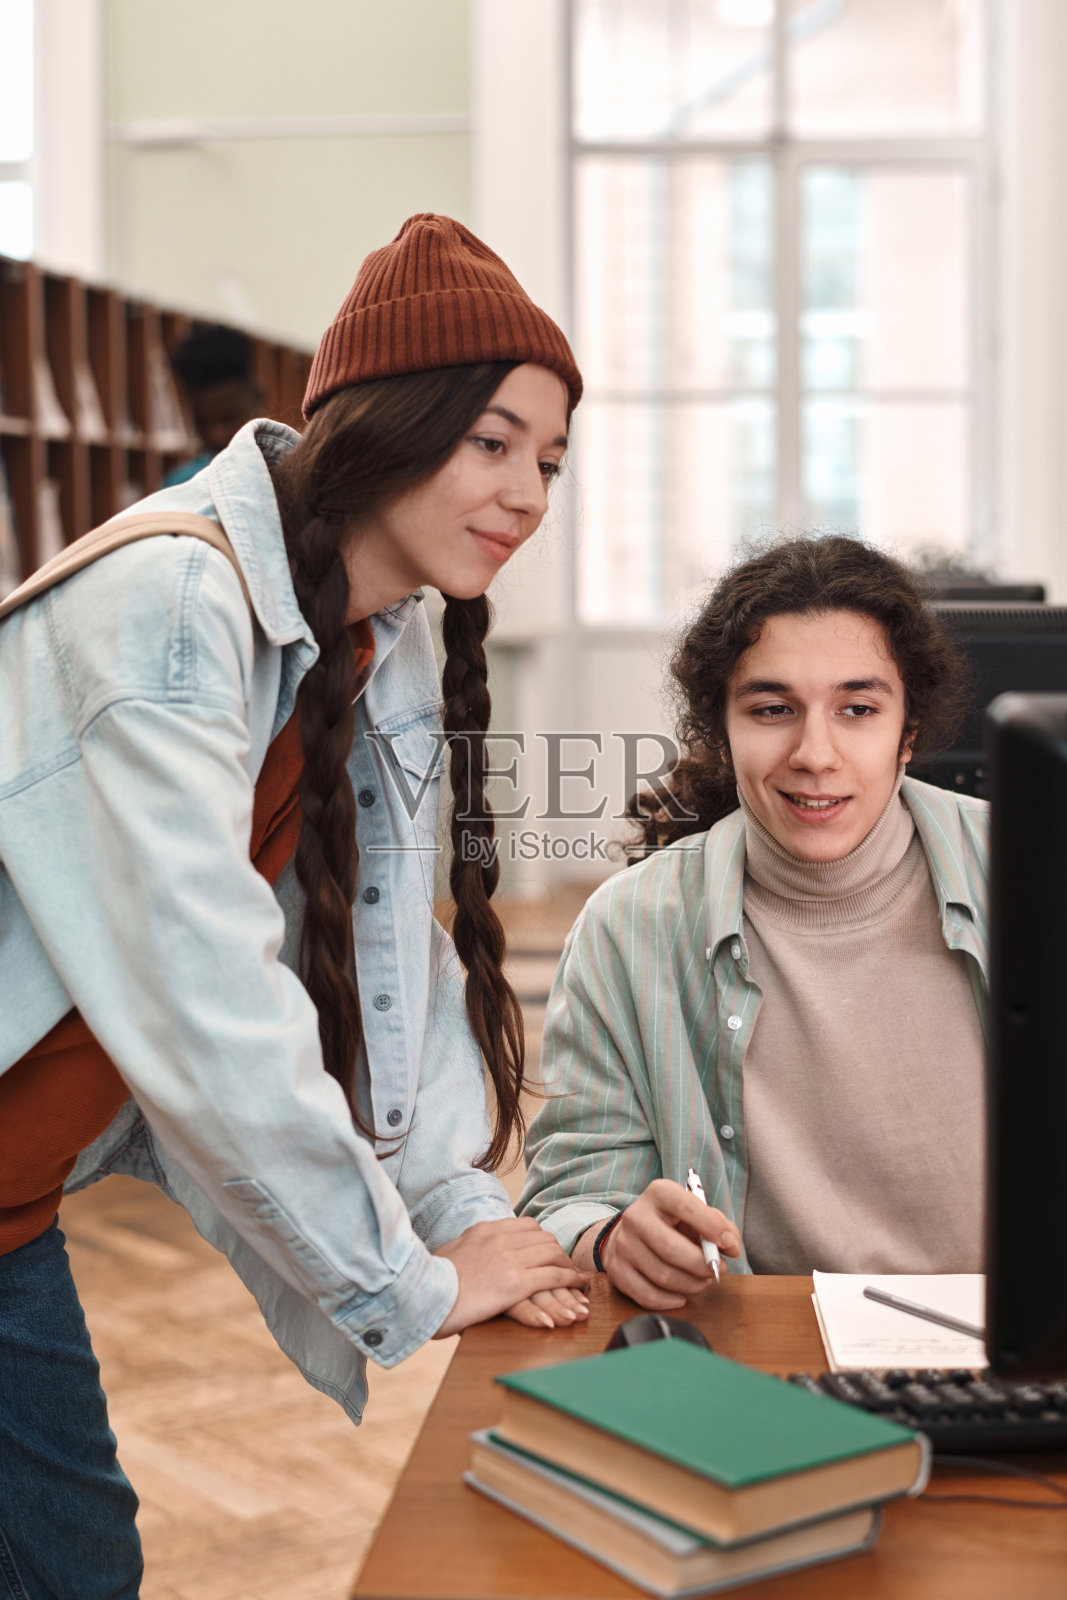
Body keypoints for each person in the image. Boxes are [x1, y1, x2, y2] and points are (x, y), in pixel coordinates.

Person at [0, 214, 590, 1598]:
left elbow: (393, 960)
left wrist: (451, 1206)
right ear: (386, 423)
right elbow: (208, 992)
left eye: (551, 463)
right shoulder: (172, 601)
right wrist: (411, 1281)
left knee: (71, 1563)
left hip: (13, 1210)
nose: (526, 494)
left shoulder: (365, 643)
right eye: (491, 442)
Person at [520, 535, 986, 1311]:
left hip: (1004, 1351)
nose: (814, 753)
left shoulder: (1033, 872)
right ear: (722, 730)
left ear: (907, 734)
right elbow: (572, 1192)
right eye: (771, 710)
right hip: (759, 1354)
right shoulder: (629, 928)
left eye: (858, 710)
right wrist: (610, 1236)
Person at [163, 324, 264, 486]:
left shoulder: (286, 475)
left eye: (229, 418)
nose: (215, 435)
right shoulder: (181, 484)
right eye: (201, 422)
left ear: (258, 399)